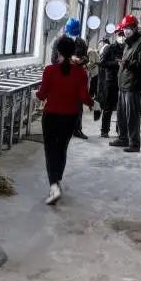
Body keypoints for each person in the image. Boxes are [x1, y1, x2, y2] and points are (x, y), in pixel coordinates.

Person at [37, 35, 93, 205]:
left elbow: (42, 95)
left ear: (58, 51)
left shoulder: (49, 70)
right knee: (62, 149)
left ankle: (54, 185)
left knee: (50, 151)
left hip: (51, 117)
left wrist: (36, 94)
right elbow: (84, 97)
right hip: (70, 118)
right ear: (73, 51)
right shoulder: (81, 73)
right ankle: (57, 180)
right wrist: (93, 104)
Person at [109, 14, 141, 153]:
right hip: (123, 84)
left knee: (132, 116)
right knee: (121, 115)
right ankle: (123, 138)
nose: (126, 31)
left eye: (128, 28)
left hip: (133, 86)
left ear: (135, 28)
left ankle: (134, 143)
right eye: (124, 28)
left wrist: (126, 63)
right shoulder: (128, 43)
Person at [97, 35, 124, 137]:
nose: (122, 37)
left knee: (121, 108)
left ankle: (120, 131)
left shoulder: (127, 48)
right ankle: (104, 130)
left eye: (123, 34)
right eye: (120, 34)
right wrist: (116, 63)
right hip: (111, 81)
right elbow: (102, 63)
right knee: (108, 107)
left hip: (123, 81)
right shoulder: (109, 48)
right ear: (116, 35)